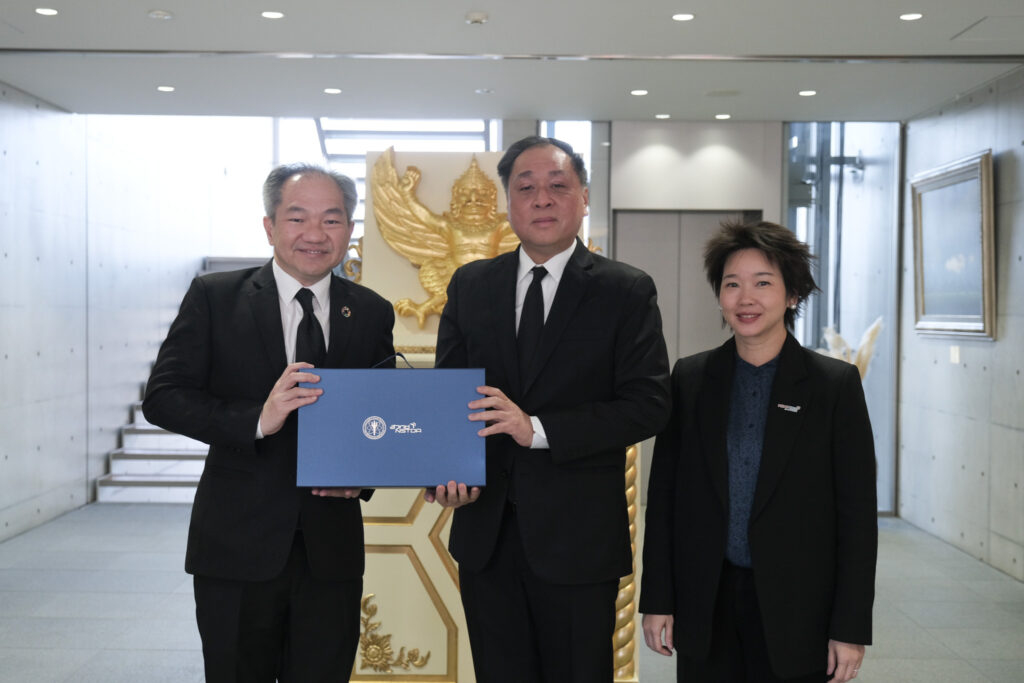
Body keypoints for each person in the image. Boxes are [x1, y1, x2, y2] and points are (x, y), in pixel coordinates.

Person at [425, 136, 671, 682]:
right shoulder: (471, 285)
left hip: (578, 539)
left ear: (584, 198)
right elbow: (448, 397)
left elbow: (649, 405)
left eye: (558, 186)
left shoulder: (625, 290)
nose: (542, 198)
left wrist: (535, 428)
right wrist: (443, 472)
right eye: (526, 187)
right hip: (486, 534)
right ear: (508, 202)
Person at [143, 163, 395, 682]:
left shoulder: (371, 311)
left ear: (350, 230)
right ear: (270, 226)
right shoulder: (215, 297)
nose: (314, 234)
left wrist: (364, 475)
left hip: (331, 553)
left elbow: (381, 415)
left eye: (331, 220)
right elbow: (164, 398)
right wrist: (258, 418)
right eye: (297, 218)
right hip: (235, 546)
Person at [640, 220, 877, 682]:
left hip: (799, 609)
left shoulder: (834, 386)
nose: (745, 298)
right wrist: (658, 600)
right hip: (706, 602)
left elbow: (857, 518)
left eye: (763, 283)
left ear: (793, 295)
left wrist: (850, 627)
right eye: (732, 284)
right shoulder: (690, 379)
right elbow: (665, 498)